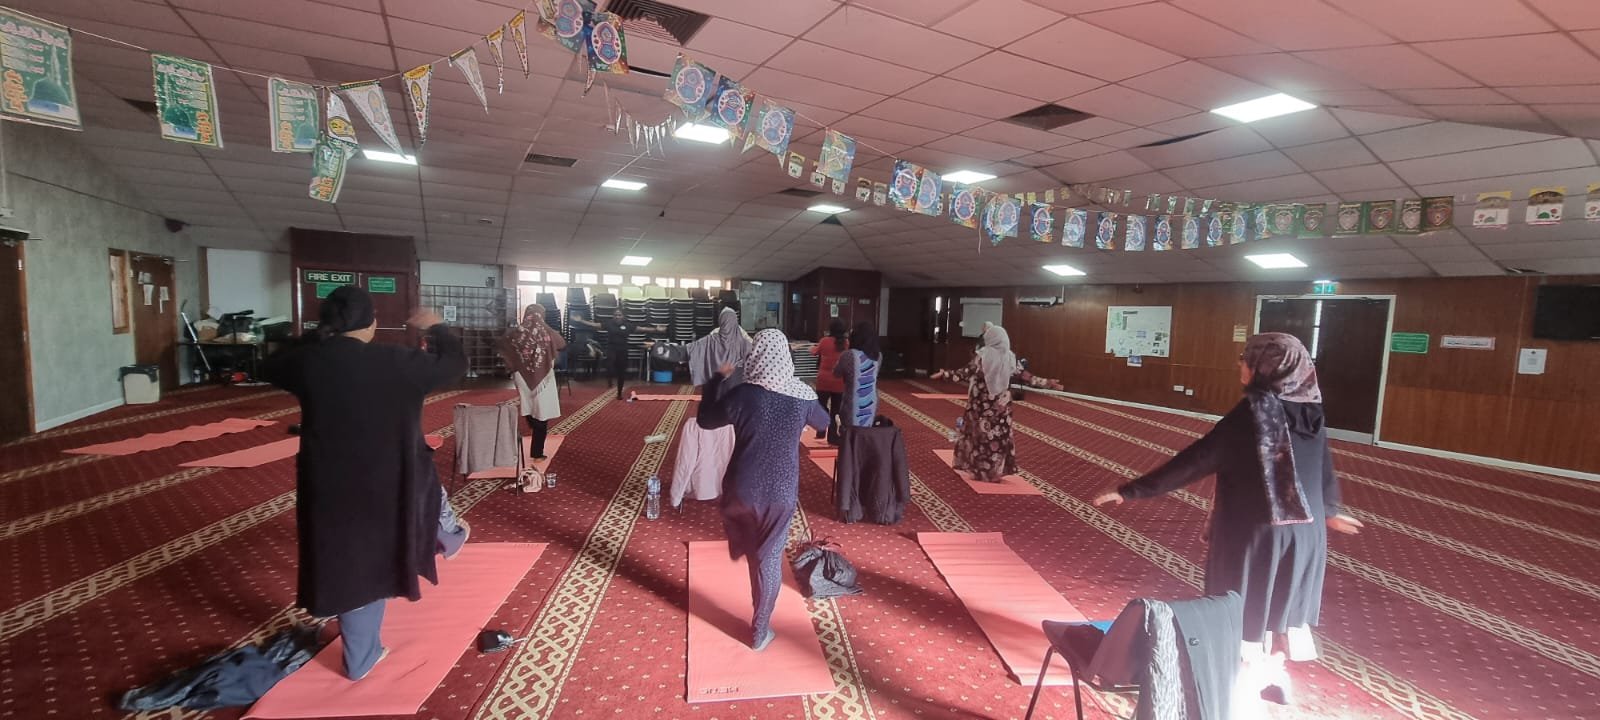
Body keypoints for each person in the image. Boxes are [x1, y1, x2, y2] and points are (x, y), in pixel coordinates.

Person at [1092, 332, 1362, 688]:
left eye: (1245, 358)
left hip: (1257, 532)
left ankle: (1240, 682)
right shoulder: (1310, 411)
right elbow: (1323, 466)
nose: (1240, 365)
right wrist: (1329, 510)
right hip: (1305, 533)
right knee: (1278, 604)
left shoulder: (1255, 413)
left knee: (1242, 605)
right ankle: (1269, 670)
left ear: (1265, 367)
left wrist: (1130, 490)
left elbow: (1197, 460)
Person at [260, 286, 469, 681]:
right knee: (420, 506)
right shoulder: (396, 361)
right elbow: (454, 362)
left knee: (350, 567)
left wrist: (317, 337)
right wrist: (437, 327)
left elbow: (271, 364)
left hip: (330, 484)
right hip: (393, 479)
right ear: (372, 323)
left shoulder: (309, 362)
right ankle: (448, 537)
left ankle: (361, 657)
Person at [697, 329, 828, 650]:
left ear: (755, 356)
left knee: (751, 541)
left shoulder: (742, 394)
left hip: (741, 488)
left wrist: (715, 381)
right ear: (786, 357)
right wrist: (807, 402)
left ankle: (746, 544)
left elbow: (706, 421)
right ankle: (760, 631)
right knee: (768, 561)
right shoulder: (802, 396)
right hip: (780, 492)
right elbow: (824, 424)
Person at [930, 323, 1017, 482]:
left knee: (981, 437)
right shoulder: (1010, 357)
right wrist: (1048, 383)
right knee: (997, 438)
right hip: (1001, 407)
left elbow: (964, 372)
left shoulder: (983, 355)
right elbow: (1026, 376)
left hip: (981, 406)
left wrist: (945, 374)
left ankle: (980, 471)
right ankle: (995, 471)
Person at [502, 304, 567, 460]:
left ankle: (532, 422)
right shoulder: (547, 332)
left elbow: (505, 349)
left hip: (522, 376)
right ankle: (537, 452)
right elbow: (562, 343)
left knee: (529, 405)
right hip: (543, 376)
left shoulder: (516, 333)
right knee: (542, 412)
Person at [574, 309, 665, 400]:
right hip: (611, 348)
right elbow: (595, 325)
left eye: (619, 315)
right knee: (609, 365)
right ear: (613, 316)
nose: (617, 317)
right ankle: (609, 379)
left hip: (623, 350)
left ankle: (619, 393)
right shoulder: (609, 324)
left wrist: (656, 329)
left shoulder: (628, 325)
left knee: (621, 371)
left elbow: (642, 329)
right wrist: (581, 321)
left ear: (623, 316)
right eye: (616, 315)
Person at [833, 321, 881, 438]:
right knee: (865, 435)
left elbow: (836, 373)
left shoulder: (848, 355)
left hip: (853, 402)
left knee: (850, 436)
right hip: (871, 401)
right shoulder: (878, 356)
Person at [687, 306, 753, 388]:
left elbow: (705, 351)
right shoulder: (740, 335)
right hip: (736, 381)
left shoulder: (715, 334)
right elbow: (752, 347)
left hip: (717, 377)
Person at [810, 320, 848, 441]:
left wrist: (811, 348)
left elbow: (814, 352)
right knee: (836, 409)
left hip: (824, 380)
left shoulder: (824, 341)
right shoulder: (846, 343)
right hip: (840, 381)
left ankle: (821, 431)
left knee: (821, 406)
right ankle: (833, 435)